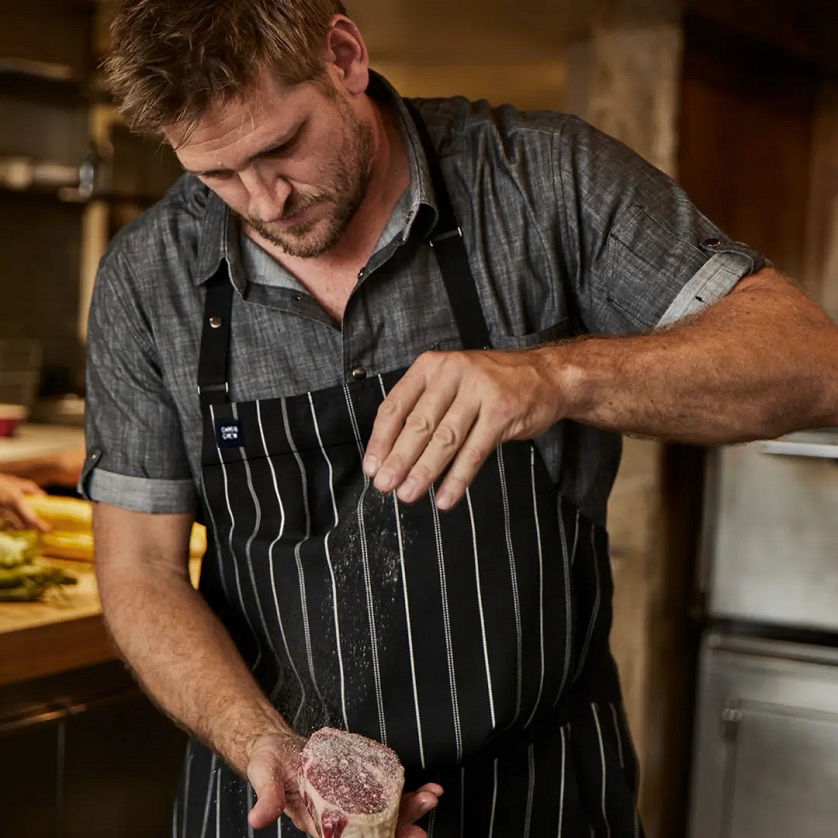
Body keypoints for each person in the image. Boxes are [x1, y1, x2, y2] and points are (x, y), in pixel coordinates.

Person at [83, 2, 838, 836]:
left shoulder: (542, 181)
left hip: (538, 795)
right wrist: (260, 742)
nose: (264, 201)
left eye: (279, 146)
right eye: (216, 175)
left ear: (343, 55)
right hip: (272, 802)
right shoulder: (148, 277)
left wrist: (558, 375)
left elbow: (813, 363)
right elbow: (141, 574)